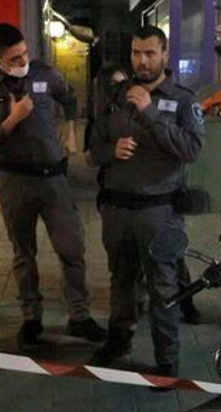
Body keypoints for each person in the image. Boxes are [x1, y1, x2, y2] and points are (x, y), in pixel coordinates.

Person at [0, 23, 106, 347]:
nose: (23, 61)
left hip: (54, 180)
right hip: (15, 180)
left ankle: (79, 315)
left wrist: (69, 127)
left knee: (72, 249)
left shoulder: (45, 74)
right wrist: (11, 120)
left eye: (25, 54)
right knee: (23, 253)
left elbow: (71, 98)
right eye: (15, 58)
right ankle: (32, 318)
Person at [88, 25, 205, 377]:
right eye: (137, 53)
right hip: (117, 209)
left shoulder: (184, 100)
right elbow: (92, 150)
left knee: (162, 288)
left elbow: (192, 150)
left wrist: (152, 114)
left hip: (159, 212)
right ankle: (119, 341)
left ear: (165, 54)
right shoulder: (114, 96)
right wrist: (111, 149)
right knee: (121, 280)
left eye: (150, 53)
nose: (142, 60)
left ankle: (166, 360)